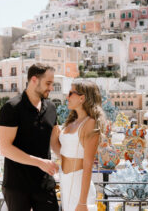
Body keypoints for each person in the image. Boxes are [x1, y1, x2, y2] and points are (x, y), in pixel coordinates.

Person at [0, 63, 59, 211]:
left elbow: (55, 142)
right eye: (48, 83)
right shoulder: (11, 108)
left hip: (45, 185)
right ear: (34, 80)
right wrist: (39, 162)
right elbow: (5, 148)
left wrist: (73, 162)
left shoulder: (51, 107)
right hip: (17, 186)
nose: (51, 88)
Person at [51, 80, 106, 211]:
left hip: (79, 185)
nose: (67, 97)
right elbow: (63, 154)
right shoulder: (71, 123)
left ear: (82, 98)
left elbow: (88, 165)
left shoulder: (90, 123)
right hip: (66, 181)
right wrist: (53, 137)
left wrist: (82, 202)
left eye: (71, 93)